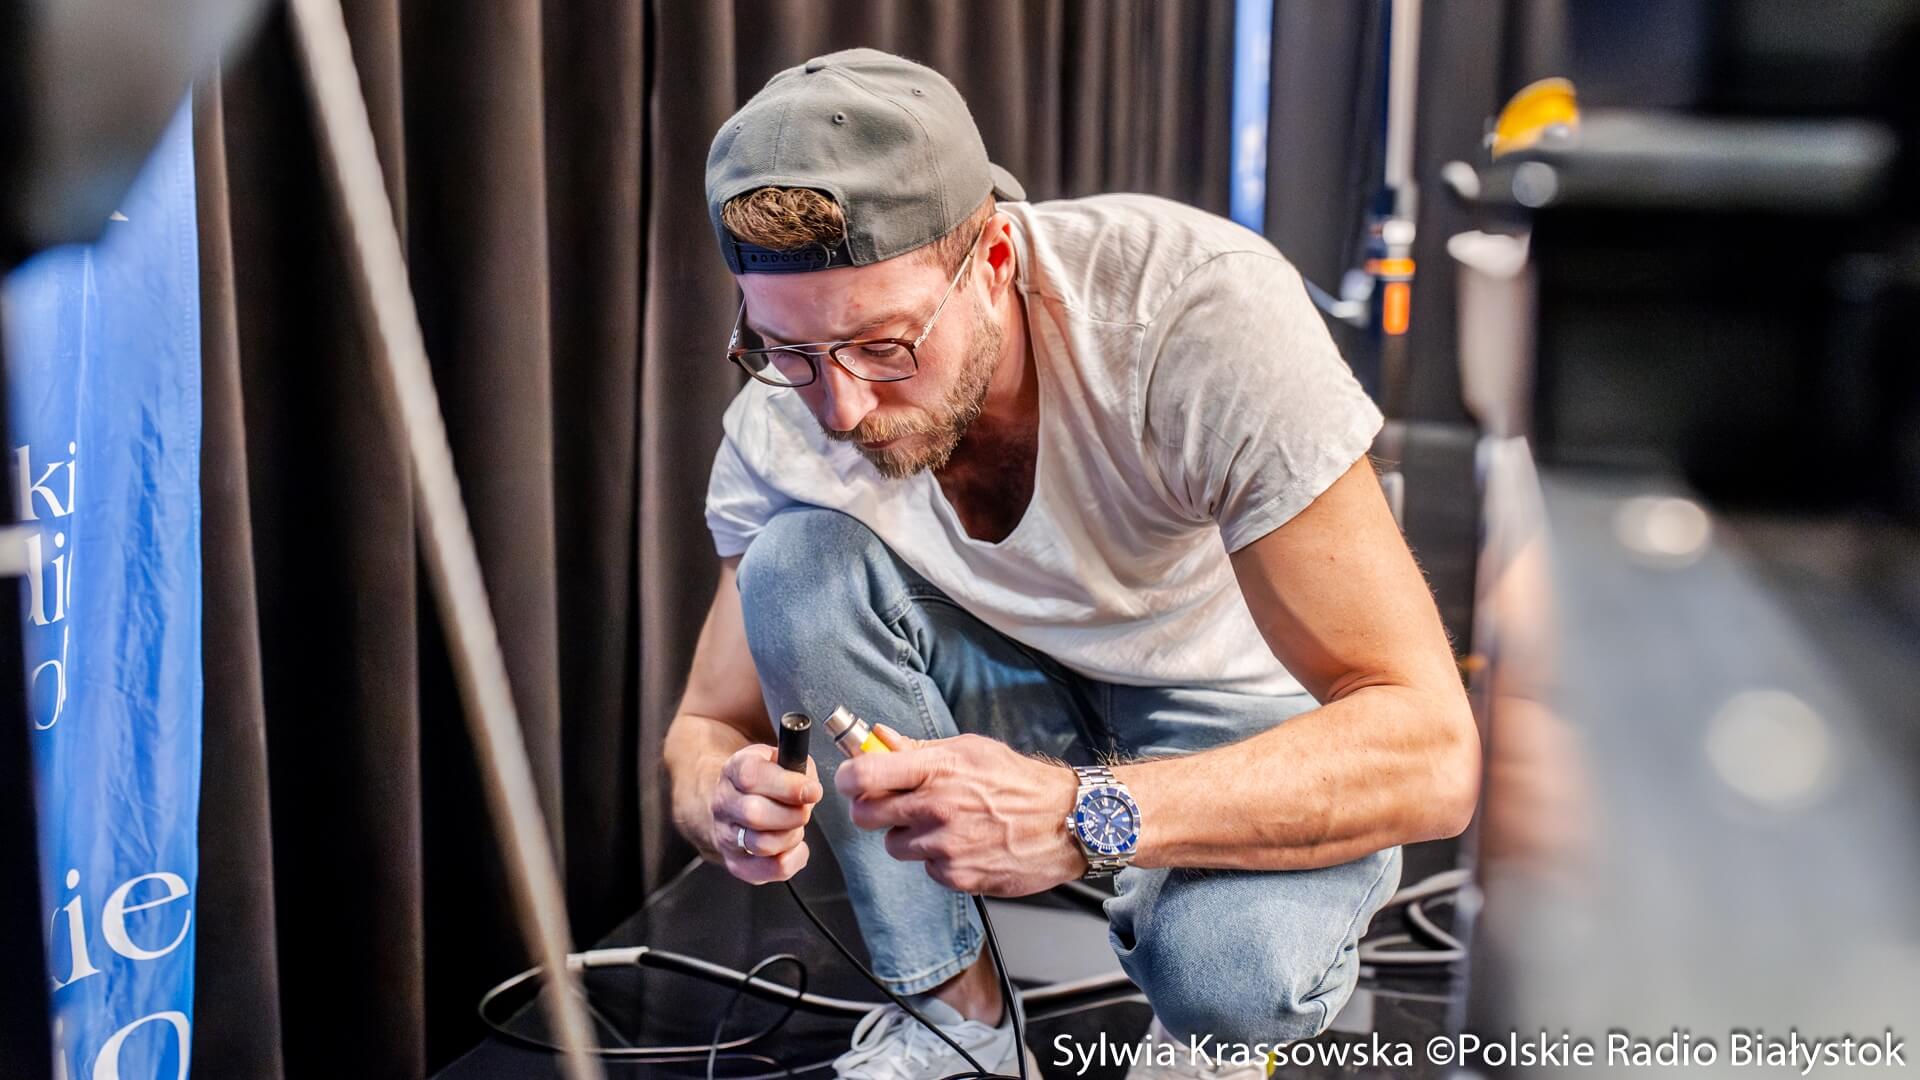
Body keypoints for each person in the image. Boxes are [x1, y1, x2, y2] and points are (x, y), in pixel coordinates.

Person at [662, 47, 1479, 1080]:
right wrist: (722, 802)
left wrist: (1079, 815)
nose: (843, 407)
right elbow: (704, 729)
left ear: (995, 258)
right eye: (788, 352)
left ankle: (1203, 1016)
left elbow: (1433, 755)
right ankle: (958, 1024)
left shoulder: (1194, 316)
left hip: (1236, 700)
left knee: (1228, 981)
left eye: (884, 345)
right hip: (1004, 688)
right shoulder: (782, 421)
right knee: (793, 563)